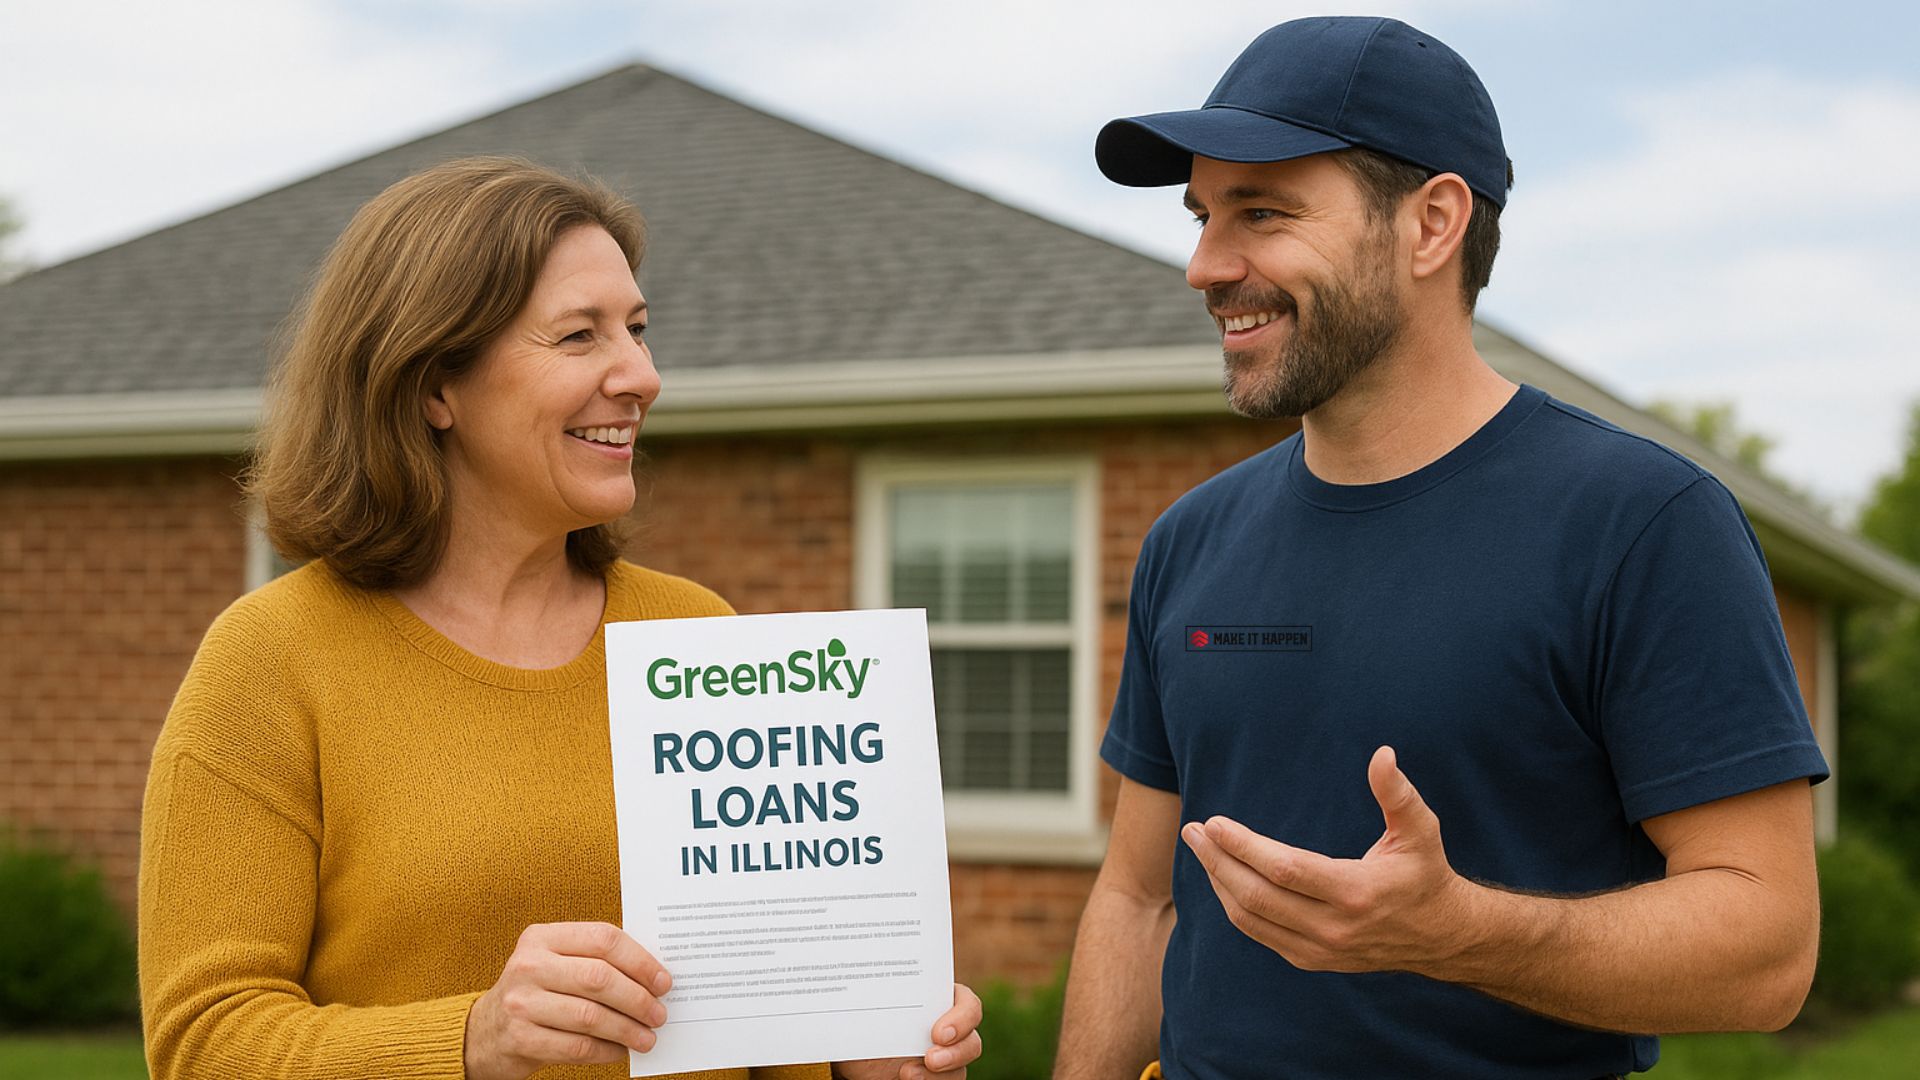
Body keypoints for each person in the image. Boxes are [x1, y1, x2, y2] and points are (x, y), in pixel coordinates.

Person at [1053, 17, 1826, 1080]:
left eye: (1262, 213)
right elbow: (1141, 900)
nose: (1204, 266)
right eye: (1202, 217)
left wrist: (1457, 932)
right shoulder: (1192, 539)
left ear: (1432, 225)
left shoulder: (1641, 524)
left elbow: (1769, 952)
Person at [138, 157, 982, 1080]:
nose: (642, 376)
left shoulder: (696, 635)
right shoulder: (272, 659)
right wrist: (472, 1042)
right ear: (434, 385)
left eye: (639, 330)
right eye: (580, 336)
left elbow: (771, 1021)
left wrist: (864, 1054)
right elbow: (203, 1042)